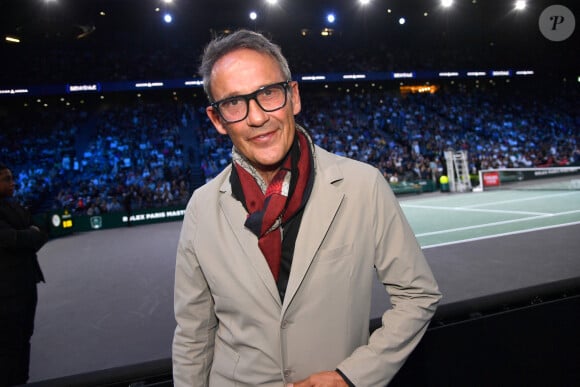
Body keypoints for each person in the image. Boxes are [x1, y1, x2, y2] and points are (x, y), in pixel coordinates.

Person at [172, 30, 442, 386]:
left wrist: (352, 376)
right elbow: (193, 336)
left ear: (294, 97)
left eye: (268, 93)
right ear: (217, 119)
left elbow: (418, 296)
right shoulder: (202, 208)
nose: (257, 117)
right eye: (235, 103)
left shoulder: (363, 185)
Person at [0, 163, 48, 385]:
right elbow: (14, 239)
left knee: (24, 338)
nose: (13, 183)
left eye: (12, 178)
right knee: (10, 344)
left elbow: (38, 232)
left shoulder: (14, 206)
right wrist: (28, 236)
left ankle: (22, 381)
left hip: (27, 283)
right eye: (7, 179)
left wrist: (26, 238)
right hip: (7, 292)